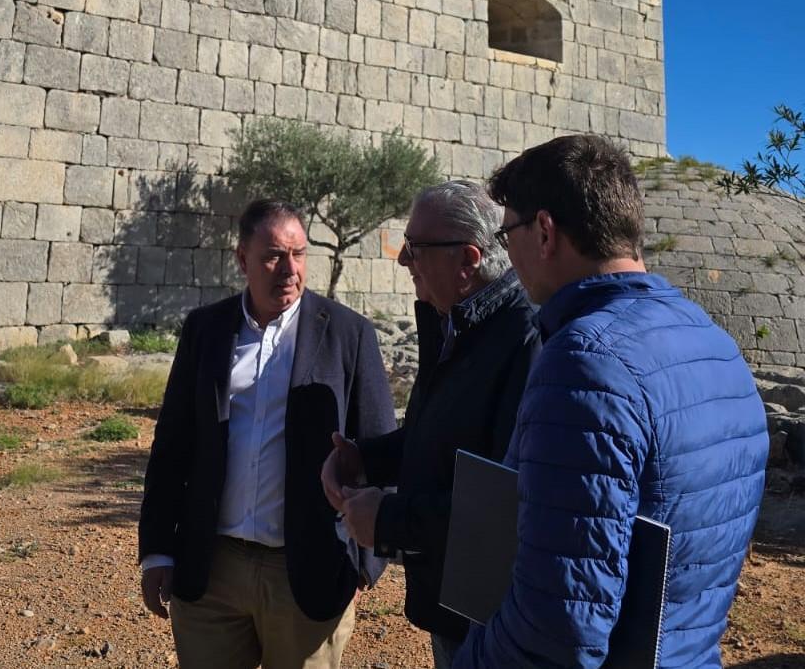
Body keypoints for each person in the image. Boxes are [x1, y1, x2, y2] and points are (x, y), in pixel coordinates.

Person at [454, 135, 768, 668]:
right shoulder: (716, 344)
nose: (509, 256)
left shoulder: (583, 361)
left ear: (545, 231)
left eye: (509, 234)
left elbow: (557, 626)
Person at [138, 199, 395, 669]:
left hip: (308, 575)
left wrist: (366, 562)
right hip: (211, 570)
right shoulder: (205, 330)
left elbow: (382, 449)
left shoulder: (348, 335)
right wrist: (157, 549)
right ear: (242, 259)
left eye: (299, 255)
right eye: (274, 255)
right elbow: (173, 446)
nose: (289, 270)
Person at [322, 180, 541, 668]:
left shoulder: (524, 341)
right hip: (455, 606)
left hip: (492, 622)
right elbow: (441, 438)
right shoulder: (457, 324)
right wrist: (366, 458)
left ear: (468, 259)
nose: (403, 261)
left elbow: (506, 503)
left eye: (415, 248)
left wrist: (388, 520)